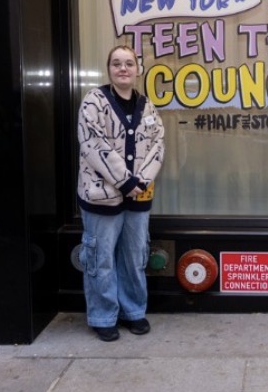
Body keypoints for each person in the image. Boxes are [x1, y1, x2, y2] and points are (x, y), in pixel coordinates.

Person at [76, 45, 165, 342]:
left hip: (138, 198)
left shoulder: (147, 106)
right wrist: (125, 181)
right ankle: (103, 316)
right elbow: (92, 145)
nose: (123, 68)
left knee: (134, 256)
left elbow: (158, 145)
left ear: (137, 69)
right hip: (101, 197)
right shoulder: (93, 101)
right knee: (100, 258)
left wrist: (142, 180)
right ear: (109, 69)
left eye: (129, 63)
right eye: (116, 63)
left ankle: (133, 311)